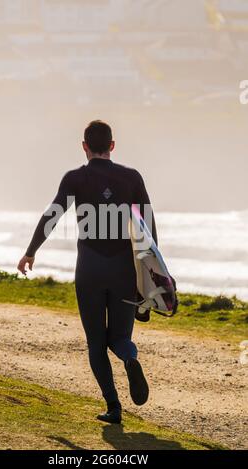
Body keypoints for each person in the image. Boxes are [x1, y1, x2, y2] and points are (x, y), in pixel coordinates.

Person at [17, 120, 158, 424]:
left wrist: (31, 251)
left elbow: (52, 216)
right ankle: (130, 358)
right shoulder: (132, 178)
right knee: (120, 337)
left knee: (96, 342)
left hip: (90, 269)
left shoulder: (75, 179)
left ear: (84, 146)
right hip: (123, 270)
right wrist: (151, 277)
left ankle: (114, 407)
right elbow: (148, 229)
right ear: (112, 145)